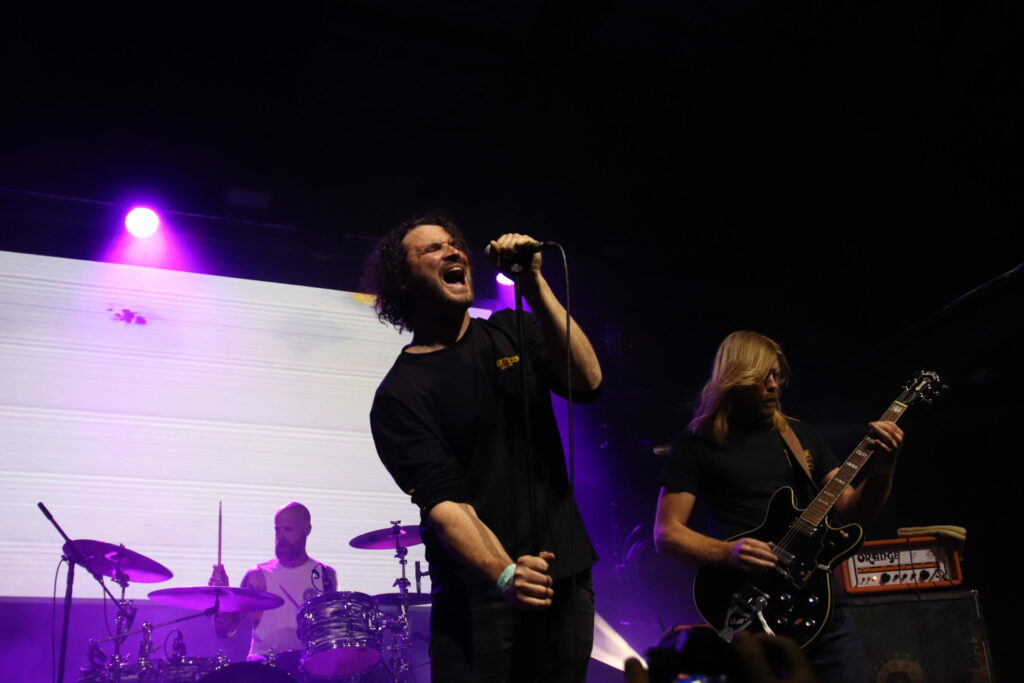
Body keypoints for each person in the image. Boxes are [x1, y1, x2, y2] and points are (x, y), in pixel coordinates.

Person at [364, 214, 603, 682]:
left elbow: (588, 380)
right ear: (403, 281)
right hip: (477, 597)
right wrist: (506, 573)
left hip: (563, 574)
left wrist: (533, 282)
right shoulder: (400, 394)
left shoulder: (513, 330)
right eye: (432, 249)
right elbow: (446, 504)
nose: (453, 251)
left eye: (454, 244)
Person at [653, 331, 903, 683]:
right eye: (762, 376)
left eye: (776, 375)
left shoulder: (800, 436)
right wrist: (729, 552)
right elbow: (666, 533)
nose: (773, 385)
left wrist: (884, 468)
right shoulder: (698, 444)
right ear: (735, 378)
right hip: (752, 613)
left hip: (824, 610)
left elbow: (851, 511)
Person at [209, 502, 337, 661]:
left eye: (288, 529)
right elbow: (224, 630)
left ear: (307, 530)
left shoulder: (324, 575)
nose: (280, 537)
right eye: (277, 530)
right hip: (263, 666)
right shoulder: (257, 576)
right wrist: (221, 595)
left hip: (308, 664)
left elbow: (330, 631)